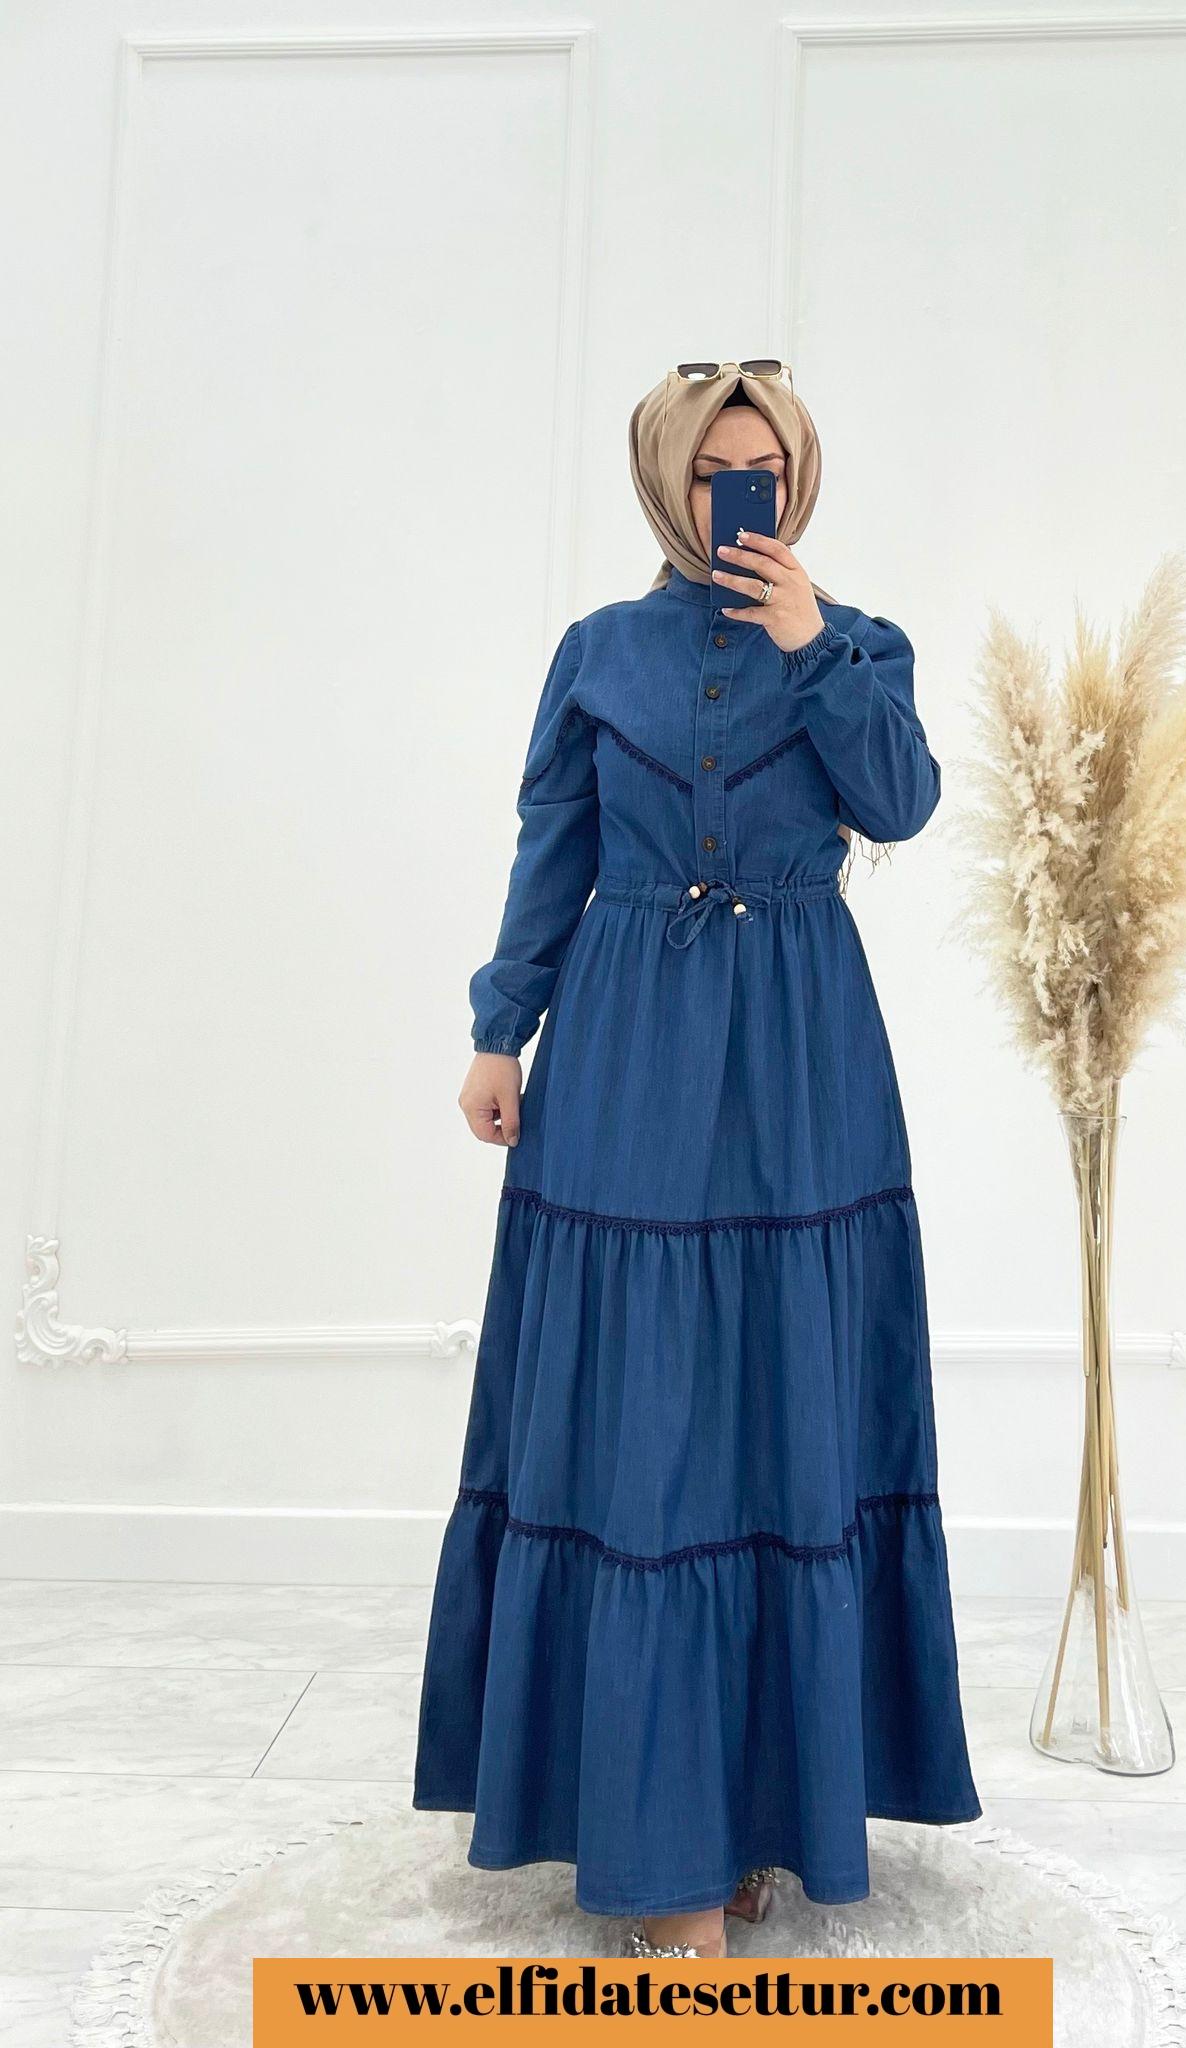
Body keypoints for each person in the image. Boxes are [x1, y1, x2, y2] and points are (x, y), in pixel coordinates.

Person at [412, 359, 979, 1958]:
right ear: (666, 478)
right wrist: (499, 1028)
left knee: (784, 1397)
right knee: (646, 1416)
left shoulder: (859, 643)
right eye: (719, 469)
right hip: (627, 1042)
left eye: (770, 471)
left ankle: (753, 1808)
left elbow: (899, 805)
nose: (748, 496)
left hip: (802, 1051)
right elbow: (554, 843)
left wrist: (809, 645)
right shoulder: (598, 650)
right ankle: (663, 1848)